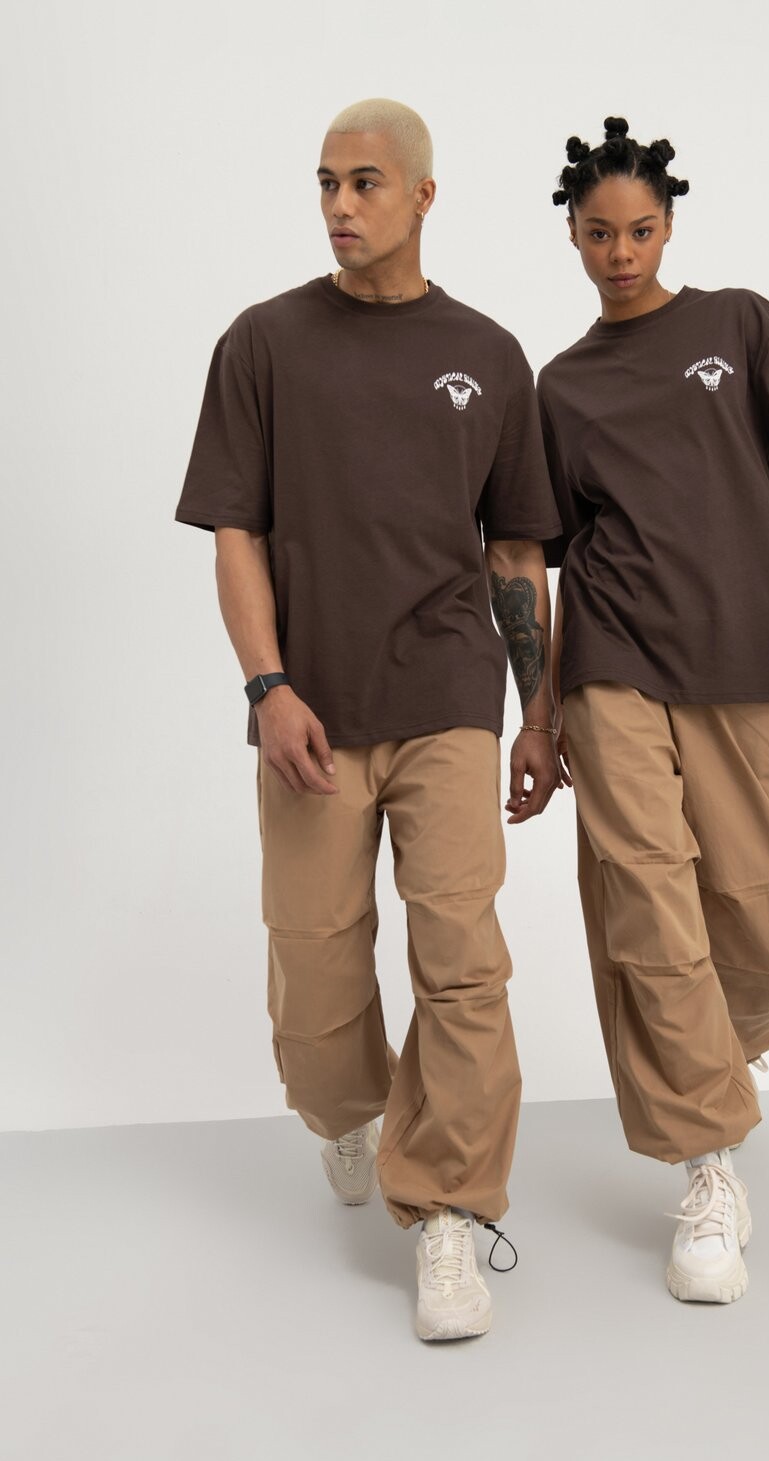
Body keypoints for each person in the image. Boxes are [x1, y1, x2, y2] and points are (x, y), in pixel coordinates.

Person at [175, 98, 562, 1341]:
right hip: (311, 706)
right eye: (326, 182)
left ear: (423, 196)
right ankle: (349, 1111)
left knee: (462, 959)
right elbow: (234, 531)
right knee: (315, 964)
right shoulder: (263, 342)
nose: (340, 205)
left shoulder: (488, 354)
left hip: (447, 692)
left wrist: (536, 710)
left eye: (365, 182)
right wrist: (267, 685)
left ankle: (447, 1208)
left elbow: (515, 551)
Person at [538, 117, 769, 1304]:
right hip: (611, 658)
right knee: (645, 895)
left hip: (748, 655)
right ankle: (706, 1165)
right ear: (572, 237)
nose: (620, 254)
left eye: (639, 231)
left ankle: (719, 1060)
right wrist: (540, 711)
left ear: (668, 228)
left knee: (755, 923)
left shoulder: (737, 323)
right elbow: (551, 559)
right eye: (600, 234)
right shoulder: (560, 385)